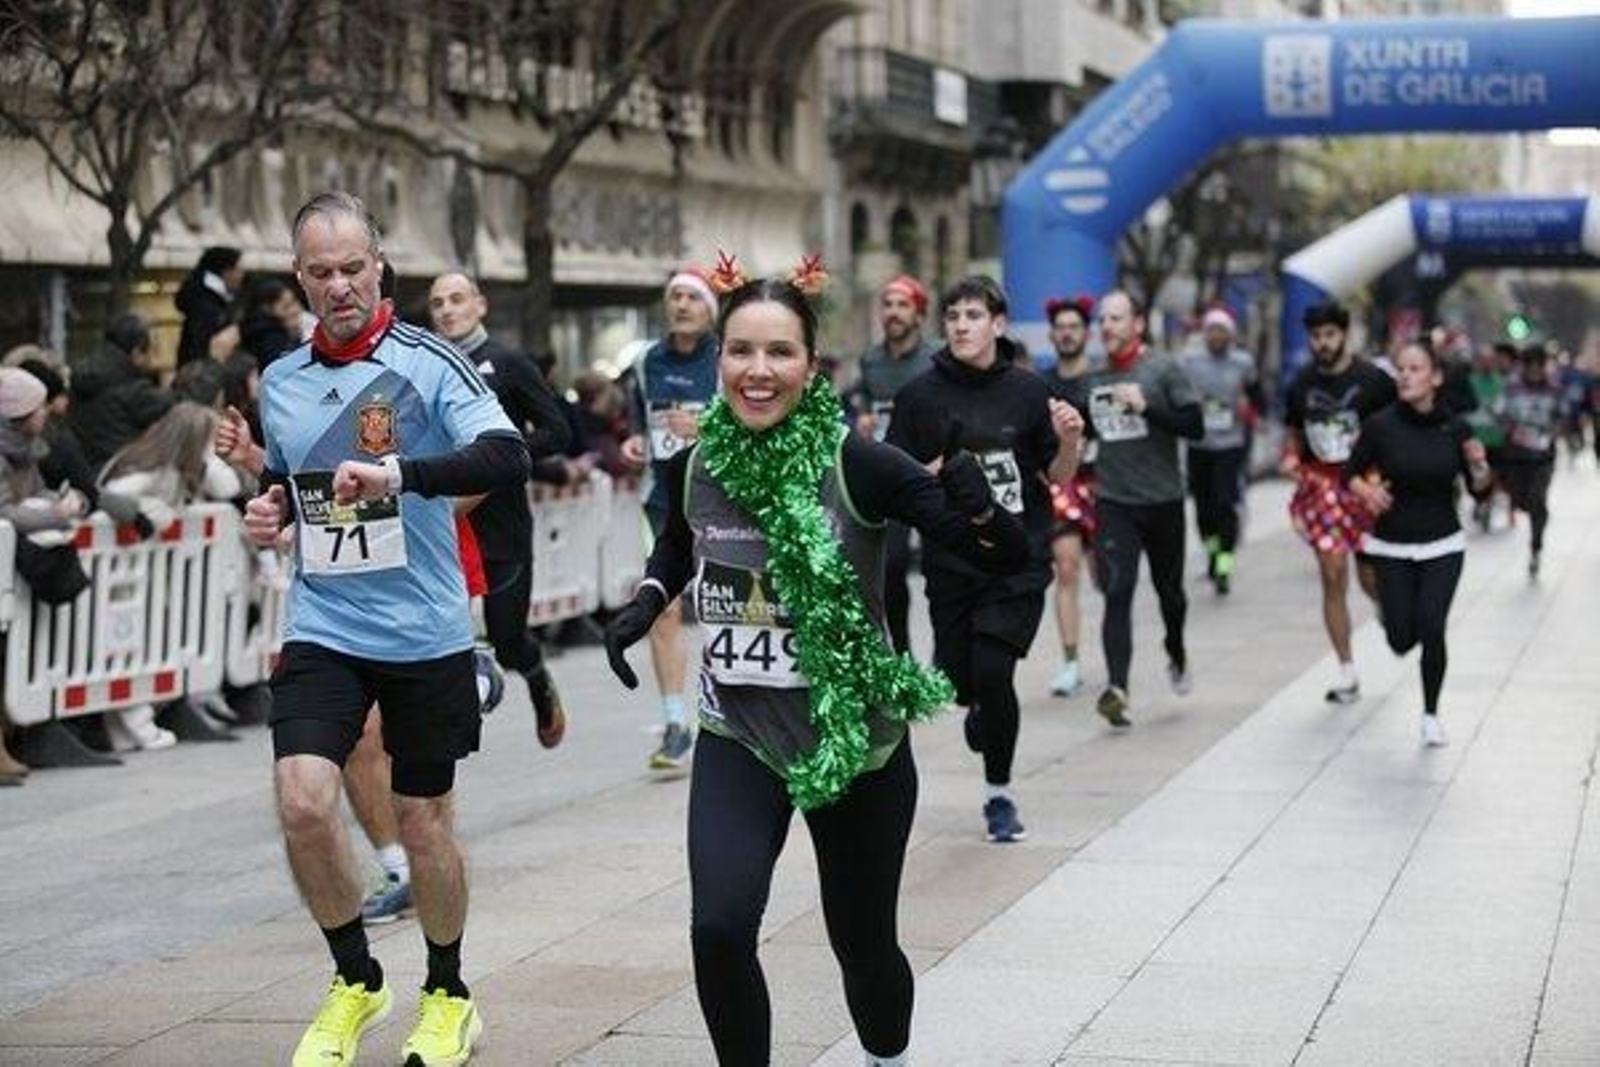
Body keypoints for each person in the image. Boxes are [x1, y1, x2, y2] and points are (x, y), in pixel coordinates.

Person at [601, 259, 1030, 1066]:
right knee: (718, 928)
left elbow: (997, 555)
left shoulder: (855, 462)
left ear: (810, 364)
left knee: (862, 944)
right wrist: (647, 598)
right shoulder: (697, 461)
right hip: (739, 731)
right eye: (741, 351)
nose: (757, 371)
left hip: (854, 742)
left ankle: (887, 1056)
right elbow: (680, 541)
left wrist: (978, 503)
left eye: (780, 352)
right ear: (719, 358)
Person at [243, 191, 529, 1067]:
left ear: (378, 266)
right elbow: (290, 483)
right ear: (299, 277)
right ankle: (356, 978)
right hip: (325, 623)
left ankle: (447, 993)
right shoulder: (281, 382)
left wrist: (400, 473)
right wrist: (268, 510)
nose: (339, 286)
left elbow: (507, 453)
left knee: (423, 820)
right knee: (302, 800)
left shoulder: (428, 362)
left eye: (352, 268)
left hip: (424, 632)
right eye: (321, 272)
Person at [888, 275, 1085, 842]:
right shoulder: (919, 395)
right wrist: (928, 476)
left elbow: (1057, 476)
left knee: (996, 672)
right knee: (957, 682)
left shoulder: (1029, 391)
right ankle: (977, 704)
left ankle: (999, 793)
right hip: (951, 560)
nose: (961, 326)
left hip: (1016, 559)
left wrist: (1069, 439)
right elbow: (894, 475)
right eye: (952, 316)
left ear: (998, 324)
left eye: (973, 316)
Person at [427, 268, 572, 748]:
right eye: (438, 303)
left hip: (502, 526)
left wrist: (502, 455)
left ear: (480, 305)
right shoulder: (425, 367)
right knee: (441, 639)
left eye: (457, 299)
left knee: (508, 641)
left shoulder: (508, 363)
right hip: (442, 521)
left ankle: (537, 677)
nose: (447, 310)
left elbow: (558, 431)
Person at [1346, 340, 1490, 748]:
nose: (1405, 376)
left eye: (1415, 369)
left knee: (1431, 625)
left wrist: (1479, 465)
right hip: (1391, 543)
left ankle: (1431, 715)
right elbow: (1350, 473)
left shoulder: (1455, 427)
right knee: (1400, 639)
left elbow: (1479, 489)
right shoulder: (1381, 425)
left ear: (1436, 377)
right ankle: (1389, 614)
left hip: (1443, 543)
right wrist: (1368, 492)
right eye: (1401, 369)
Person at [1081, 290, 1203, 728]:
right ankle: (1117, 689)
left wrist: (1146, 406)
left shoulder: (1163, 368)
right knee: (1118, 589)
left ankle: (1176, 649)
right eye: (1102, 320)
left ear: (1137, 324)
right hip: (1114, 501)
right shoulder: (1094, 379)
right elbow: (1085, 433)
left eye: (1116, 318)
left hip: (1163, 500)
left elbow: (1195, 426)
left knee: (1171, 594)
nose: (1106, 327)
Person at [619, 265, 721, 770]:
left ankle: (725, 708)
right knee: (662, 608)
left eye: (692, 297)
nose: (681, 305)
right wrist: (635, 442)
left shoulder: (727, 358)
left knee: (725, 607)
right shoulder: (645, 362)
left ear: (710, 308)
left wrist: (706, 427)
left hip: (720, 501)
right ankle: (676, 722)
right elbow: (638, 422)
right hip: (661, 502)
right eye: (675, 296)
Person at [1283, 302, 1396, 706]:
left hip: (1365, 488)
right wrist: (1291, 460)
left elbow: (1394, 430)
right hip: (1323, 489)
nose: (1323, 343)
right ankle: (1347, 670)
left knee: (1370, 577)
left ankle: (1386, 609)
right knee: (1332, 575)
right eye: (1316, 336)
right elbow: (1294, 433)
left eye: (1329, 334)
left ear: (1344, 335)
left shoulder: (1374, 381)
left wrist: (1387, 477)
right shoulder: (1300, 384)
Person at [853, 276, 939, 654]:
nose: (894, 312)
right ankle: (901, 653)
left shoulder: (937, 356)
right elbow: (863, 403)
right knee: (891, 566)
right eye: (887, 305)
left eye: (903, 305)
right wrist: (863, 420)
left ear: (919, 314)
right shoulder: (870, 360)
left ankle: (945, 656)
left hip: (935, 473)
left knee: (941, 570)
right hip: (891, 476)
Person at [1180, 307, 1264, 595]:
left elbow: (1257, 395)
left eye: (1222, 331)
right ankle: (1213, 553)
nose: (1217, 336)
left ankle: (1225, 564)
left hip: (1230, 444)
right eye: (1212, 330)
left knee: (1225, 503)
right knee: (1203, 509)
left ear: (1231, 335)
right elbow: (1177, 393)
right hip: (1198, 444)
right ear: (1205, 334)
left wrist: (1253, 412)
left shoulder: (1243, 362)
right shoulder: (1190, 361)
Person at [1041, 295, 1100, 698]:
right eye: (1060, 328)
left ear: (1086, 334)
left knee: (1107, 578)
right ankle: (1071, 662)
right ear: (1051, 335)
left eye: (1073, 327)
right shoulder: (1040, 385)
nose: (1066, 334)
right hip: (1063, 486)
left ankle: (1115, 651)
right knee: (1066, 568)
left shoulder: (1101, 381)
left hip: (1106, 487)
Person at [69, 313, 174, 472]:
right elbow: (180, 405)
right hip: (122, 472)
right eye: (150, 351)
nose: (151, 360)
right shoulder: (132, 387)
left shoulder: (83, 375)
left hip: (85, 473)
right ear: (136, 353)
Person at [1495, 346, 1564, 577]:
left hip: (1543, 457)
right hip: (1516, 455)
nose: (1534, 370)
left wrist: (1554, 431)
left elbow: (1563, 415)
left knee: (1538, 500)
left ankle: (1536, 546)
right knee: (1520, 500)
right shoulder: (1511, 387)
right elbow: (1499, 413)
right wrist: (1511, 429)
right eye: (1530, 365)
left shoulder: (1554, 389)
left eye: (1539, 365)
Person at [175, 245, 244, 366]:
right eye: (238, 269)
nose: (241, 275)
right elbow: (200, 349)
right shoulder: (206, 305)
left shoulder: (209, 299)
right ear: (226, 271)